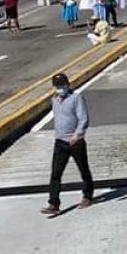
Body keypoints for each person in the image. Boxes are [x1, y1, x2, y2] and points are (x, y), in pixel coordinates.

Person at [42, 73, 95, 215]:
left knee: (83, 170)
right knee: (55, 173)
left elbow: (83, 119)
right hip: (60, 142)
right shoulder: (54, 100)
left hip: (75, 142)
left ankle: (88, 196)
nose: (61, 89)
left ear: (68, 84)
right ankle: (54, 203)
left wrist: (77, 135)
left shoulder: (76, 98)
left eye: (63, 85)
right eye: (58, 86)